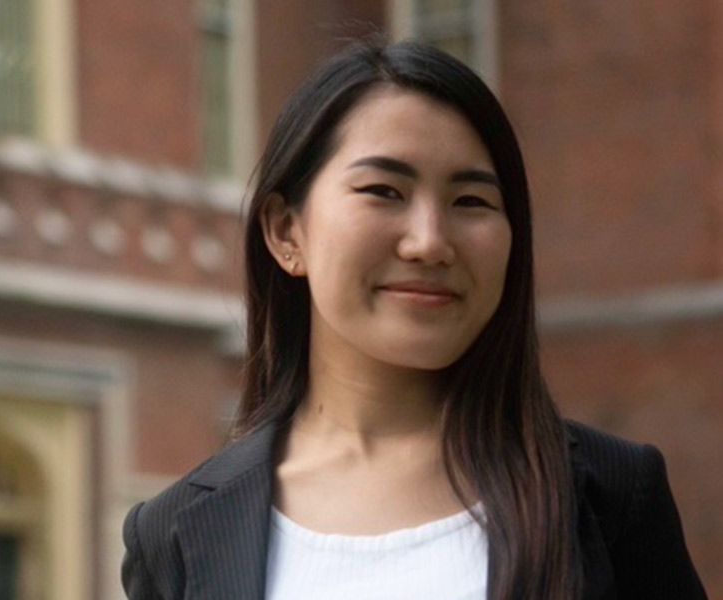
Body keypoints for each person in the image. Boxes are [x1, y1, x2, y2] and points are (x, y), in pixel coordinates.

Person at [122, 41, 707, 600]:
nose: (430, 242)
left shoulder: (608, 499)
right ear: (284, 232)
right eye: (384, 190)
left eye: (471, 202)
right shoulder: (178, 532)